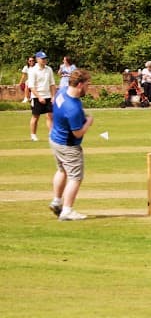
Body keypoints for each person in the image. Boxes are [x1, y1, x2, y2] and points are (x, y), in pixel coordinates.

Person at [49, 68, 95, 220]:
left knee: (62, 170)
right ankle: (67, 210)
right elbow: (78, 132)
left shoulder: (62, 91)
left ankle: (57, 202)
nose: (89, 87)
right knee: (75, 177)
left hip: (55, 138)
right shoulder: (73, 108)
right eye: (88, 84)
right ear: (80, 85)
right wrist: (88, 122)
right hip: (68, 144)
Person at [21, 51, 53, 141]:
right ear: (37, 59)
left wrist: (53, 96)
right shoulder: (32, 70)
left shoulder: (49, 69)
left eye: (45, 58)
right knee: (35, 116)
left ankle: (51, 134)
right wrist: (39, 97)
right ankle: (33, 135)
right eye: (42, 59)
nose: (44, 60)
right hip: (36, 96)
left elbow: (52, 84)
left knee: (50, 115)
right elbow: (31, 86)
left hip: (48, 96)